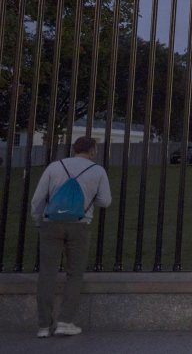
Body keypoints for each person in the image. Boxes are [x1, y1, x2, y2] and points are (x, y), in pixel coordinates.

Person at [31, 136, 112, 338]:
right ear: (92, 151)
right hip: (80, 224)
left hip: (51, 223)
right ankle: (65, 321)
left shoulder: (55, 167)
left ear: (75, 149)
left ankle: (43, 325)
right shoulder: (97, 171)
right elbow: (105, 201)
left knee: (47, 273)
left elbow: (38, 198)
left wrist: (38, 221)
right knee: (74, 273)